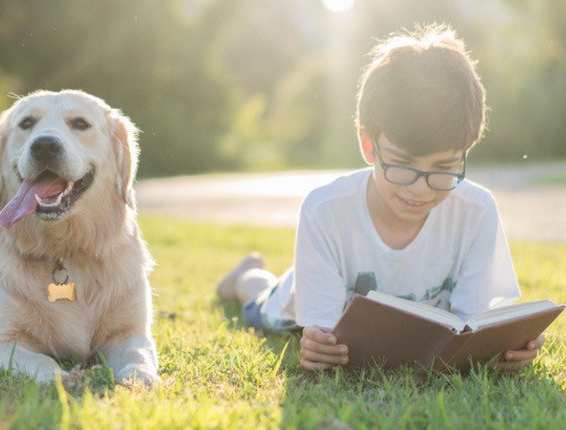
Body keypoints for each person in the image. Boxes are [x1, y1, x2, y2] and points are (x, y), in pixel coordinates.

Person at [216, 24, 544, 371]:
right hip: (299, 293)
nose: (420, 189)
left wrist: (505, 348)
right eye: (402, 165)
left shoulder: (476, 210)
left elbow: (472, 325)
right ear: (369, 145)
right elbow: (323, 338)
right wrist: (317, 345)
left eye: (444, 167)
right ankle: (243, 278)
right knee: (261, 300)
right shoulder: (325, 211)